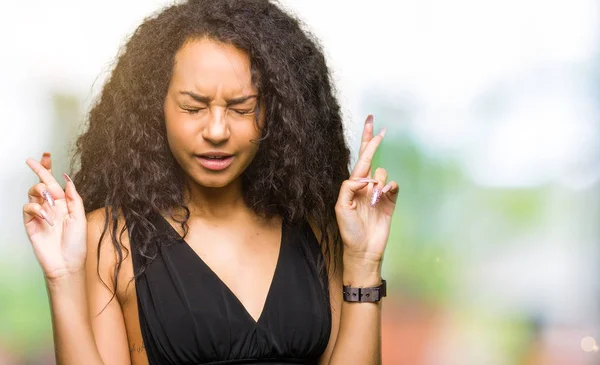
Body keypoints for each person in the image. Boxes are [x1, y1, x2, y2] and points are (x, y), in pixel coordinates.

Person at [22, 1, 399, 364]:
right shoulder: (111, 238)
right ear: (157, 107)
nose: (217, 131)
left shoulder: (316, 232)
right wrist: (63, 277)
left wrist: (364, 261)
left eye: (241, 108)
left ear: (276, 112)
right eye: (193, 107)